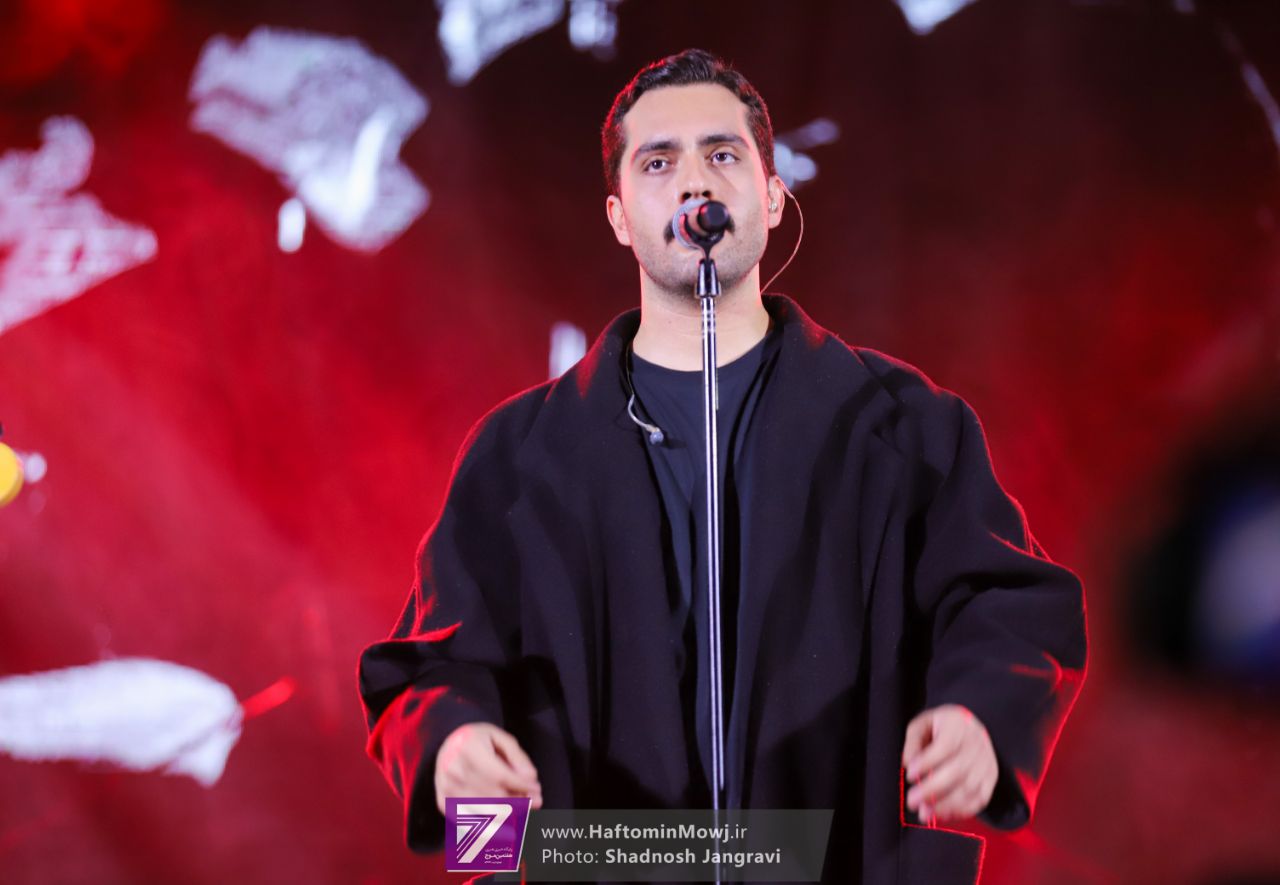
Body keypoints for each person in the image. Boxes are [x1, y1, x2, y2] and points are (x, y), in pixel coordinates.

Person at [357, 48, 1087, 883]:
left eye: (723, 154)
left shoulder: (904, 425)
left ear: (771, 199)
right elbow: (431, 667)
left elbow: (1010, 601)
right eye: (658, 162)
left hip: (835, 864)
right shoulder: (519, 453)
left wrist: (978, 718)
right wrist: (454, 750)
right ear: (619, 217)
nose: (694, 182)